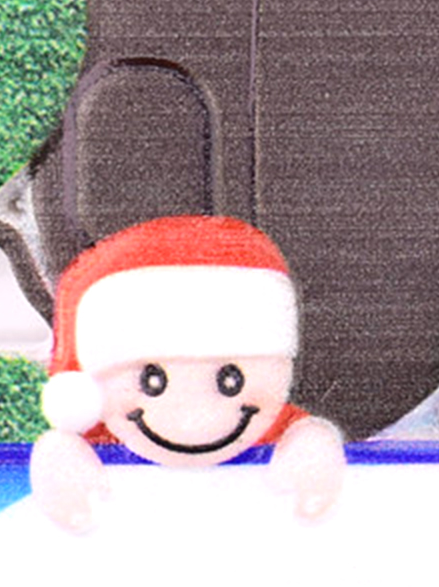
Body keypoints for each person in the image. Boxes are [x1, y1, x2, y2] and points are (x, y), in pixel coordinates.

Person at [29, 215, 344, 532]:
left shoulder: (278, 425)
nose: (194, 422)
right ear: (84, 392)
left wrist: (310, 451)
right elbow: (63, 453)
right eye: (152, 381)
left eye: (230, 381)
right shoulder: (95, 432)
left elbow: (305, 436)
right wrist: (62, 459)